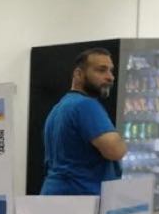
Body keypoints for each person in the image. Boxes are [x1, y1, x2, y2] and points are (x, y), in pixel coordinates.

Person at [40, 48, 126, 195]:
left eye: (111, 71)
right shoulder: (85, 105)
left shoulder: (59, 108)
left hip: (55, 195)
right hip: (80, 199)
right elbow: (116, 150)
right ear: (78, 74)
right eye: (101, 70)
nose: (110, 77)